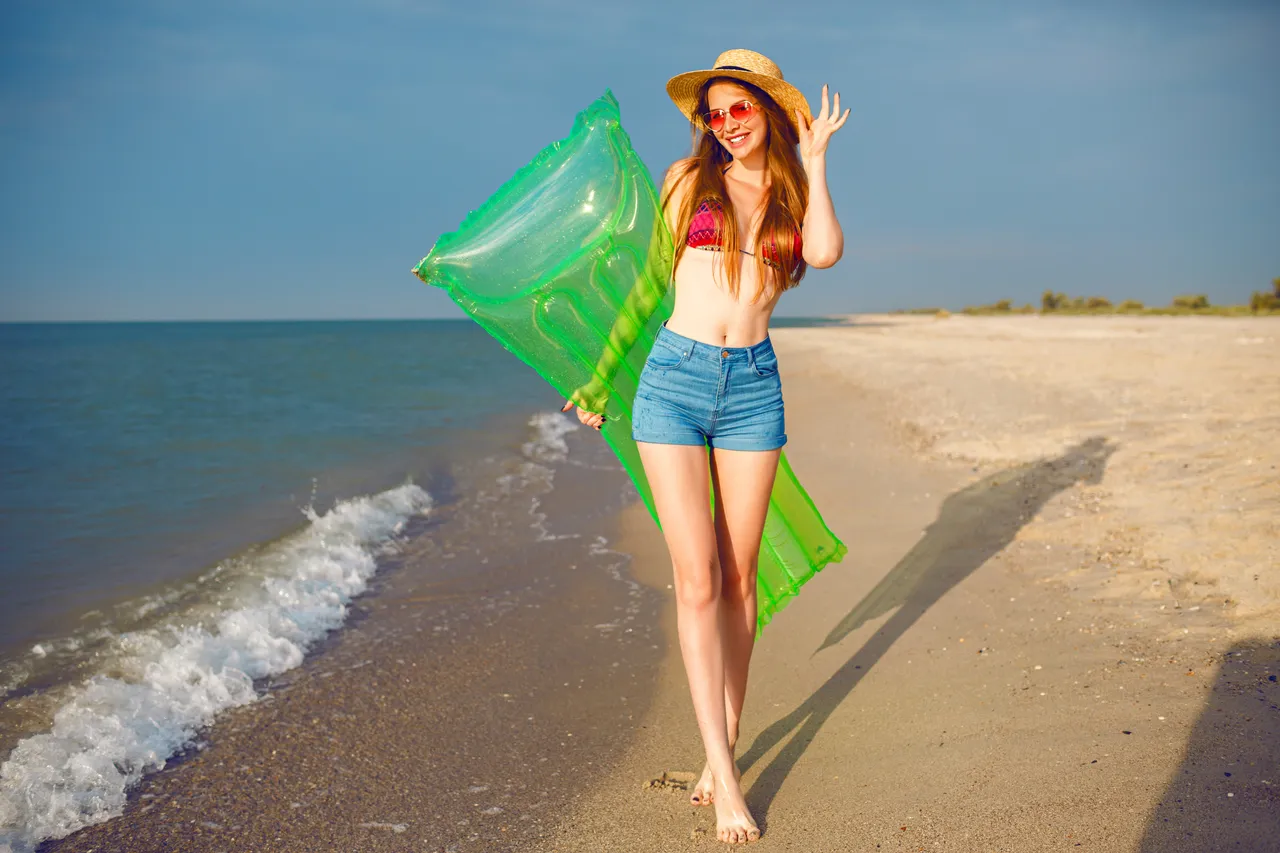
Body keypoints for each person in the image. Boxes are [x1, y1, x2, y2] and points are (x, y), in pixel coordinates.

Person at [562, 48, 848, 844]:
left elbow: (822, 253)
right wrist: (602, 373)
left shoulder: (791, 190)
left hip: (754, 386)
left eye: (739, 109)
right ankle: (724, 776)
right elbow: (651, 286)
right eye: (714, 114)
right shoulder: (686, 182)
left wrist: (816, 160)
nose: (726, 124)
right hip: (674, 384)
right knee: (697, 580)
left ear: (767, 109)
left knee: (740, 580)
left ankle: (718, 741)